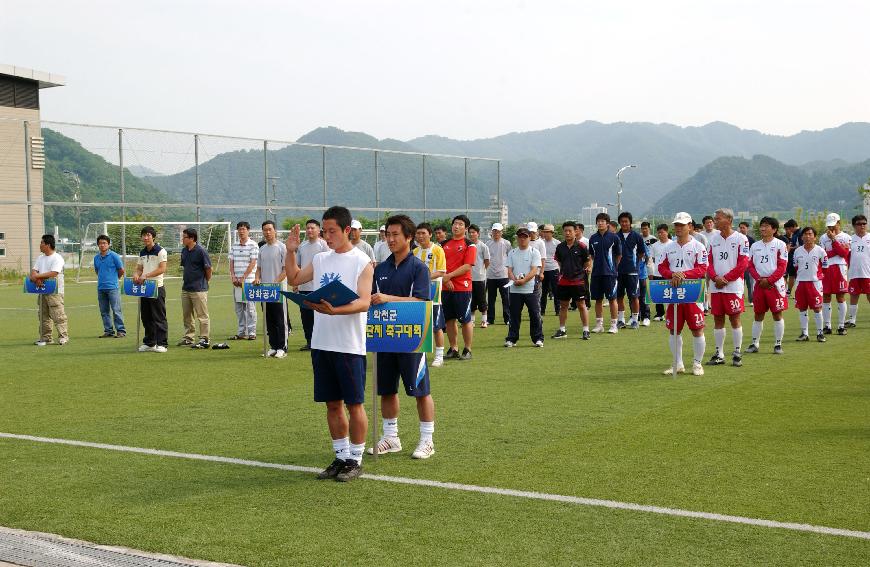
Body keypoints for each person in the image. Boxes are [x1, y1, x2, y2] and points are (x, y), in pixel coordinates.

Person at [284, 205, 374, 482]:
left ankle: (355, 459)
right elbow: (295, 279)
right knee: (332, 404)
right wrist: (290, 251)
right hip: (322, 343)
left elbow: (364, 301)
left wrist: (336, 310)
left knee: (354, 404)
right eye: (325, 231)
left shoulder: (362, 261)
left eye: (332, 231)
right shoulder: (322, 259)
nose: (327, 236)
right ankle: (340, 456)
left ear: (347, 230)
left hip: (349, 344)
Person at [367, 214, 437, 460]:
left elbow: (421, 301)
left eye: (396, 234)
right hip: (385, 337)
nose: (391, 239)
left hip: (412, 338)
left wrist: (388, 299)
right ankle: (391, 437)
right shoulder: (381, 268)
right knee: (386, 390)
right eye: (388, 234)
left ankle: (427, 440)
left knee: (420, 391)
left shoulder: (419, 268)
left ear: (409, 237)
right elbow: (372, 300)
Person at [658, 212, 708, 376]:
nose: (678, 227)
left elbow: (702, 268)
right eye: (676, 225)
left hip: (693, 293)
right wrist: (671, 274)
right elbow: (662, 267)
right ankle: (677, 363)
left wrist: (683, 274)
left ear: (690, 227)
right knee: (673, 329)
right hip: (673, 294)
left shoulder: (698, 247)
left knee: (697, 329)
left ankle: (697, 364)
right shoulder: (668, 247)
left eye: (682, 225)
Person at [706, 208, 750, 367]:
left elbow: (743, 263)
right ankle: (719, 353)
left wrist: (726, 278)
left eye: (718, 218)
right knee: (718, 319)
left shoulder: (741, 239)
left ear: (729, 220)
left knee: (734, 318)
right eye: (715, 218)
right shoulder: (713, 239)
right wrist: (715, 277)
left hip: (733, 287)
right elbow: (708, 262)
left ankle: (737, 352)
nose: (715, 220)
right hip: (716, 286)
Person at [745, 217, 789, 355]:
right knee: (758, 314)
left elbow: (782, 266)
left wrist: (769, 280)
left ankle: (777, 344)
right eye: (762, 226)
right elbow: (750, 265)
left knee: (777, 314)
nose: (763, 228)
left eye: (766, 226)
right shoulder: (755, 246)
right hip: (759, 284)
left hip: (774, 285)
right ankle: (754, 343)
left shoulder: (780, 245)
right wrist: (759, 279)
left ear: (774, 229)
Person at [441, 214, 477, 360]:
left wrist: (449, 276)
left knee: (465, 319)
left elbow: (467, 266)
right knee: (449, 319)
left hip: (463, 287)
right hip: (445, 287)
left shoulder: (470, 245)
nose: (456, 226)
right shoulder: (444, 244)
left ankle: (467, 349)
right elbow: (440, 265)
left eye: (460, 224)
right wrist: (445, 279)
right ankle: (453, 348)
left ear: (466, 228)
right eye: (455, 223)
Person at [413, 223, 447, 366]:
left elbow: (441, 271)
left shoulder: (438, 250)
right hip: (417, 293)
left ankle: (439, 355)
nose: (420, 236)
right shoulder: (414, 252)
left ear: (430, 234)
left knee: (436, 326)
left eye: (423, 233)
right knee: (420, 324)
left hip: (433, 292)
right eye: (418, 233)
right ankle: (421, 353)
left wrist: (423, 278)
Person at [551, 221, 591, 340]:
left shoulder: (582, 246)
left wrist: (583, 271)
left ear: (575, 232)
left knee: (581, 305)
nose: (567, 233)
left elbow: (587, 262)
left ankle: (586, 330)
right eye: (565, 231)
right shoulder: (560, 247)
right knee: (563, 306)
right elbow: (558, 261)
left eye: (570, 231)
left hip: (578, 281)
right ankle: (562, 330)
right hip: (563, 281)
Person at [504, 227, 543, 347]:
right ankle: (512, 338)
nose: (522, 239)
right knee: (514, 314)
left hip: (531, 288)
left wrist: (524, 280)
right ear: (517, 238)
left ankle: (538, 338)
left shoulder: (534, 252)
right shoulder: (512, 252)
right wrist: (513, 279)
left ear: (529, 238)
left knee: (535, 314)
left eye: (525, 237)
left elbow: (534, 270)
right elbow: (509, 270)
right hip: (515, 289)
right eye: (520, 237)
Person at [254, 220, 288, 358]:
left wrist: (275, 282)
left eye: (269, 229)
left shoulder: (282, 248)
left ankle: (282, 348)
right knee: (269, 319)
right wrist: (257, 278)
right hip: (265, 291)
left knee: (280, 319)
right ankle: (273, 346)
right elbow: (259, 268)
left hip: (279, 290)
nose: (267, 232)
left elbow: (286, 270)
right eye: (265, 230)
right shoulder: (261, 249)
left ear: (275, 231)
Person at [296, 219, 330, 350]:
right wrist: (297, 282)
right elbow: (298, 266)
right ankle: (309, 341)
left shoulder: (324, 245)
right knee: (306, 317)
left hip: (319, 287)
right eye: (308, 228)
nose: (310, 230)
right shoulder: (302, 246)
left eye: (312, 228)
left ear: (318, 229)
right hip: (304, 287)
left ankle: (321, 342)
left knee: (320, 316)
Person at [134, 226, 168, 352]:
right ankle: (150, 342)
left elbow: (162, 268)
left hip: (156, 287)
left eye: (148, 235)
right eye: (144, 235)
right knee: (146, 316)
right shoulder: (142, 252)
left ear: (153, 237)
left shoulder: (160, 251)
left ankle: (162, 343)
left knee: (158, 316)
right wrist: (136, 274)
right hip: (144, 287)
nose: (146, 237)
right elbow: (139, 268)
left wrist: (146, 275)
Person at [31, 234, 69, 346]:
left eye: (42, 243)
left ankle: (63, 337)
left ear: (48, 245)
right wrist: (35, 276)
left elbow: (54, 273)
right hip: (42, 290)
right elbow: (34, 270)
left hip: (55, 291)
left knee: (58, 314)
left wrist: (38, 277)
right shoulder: (40, 258)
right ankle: (45, 338)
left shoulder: (57, 258)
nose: (40, 245)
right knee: (43, 315)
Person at [178, 228, 212, 349]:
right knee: (187, 315)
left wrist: (204, 282)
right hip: (186, 288)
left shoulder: (201, 251)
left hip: (199, 289)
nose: (182, 239)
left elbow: (208, 269)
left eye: (184, 237)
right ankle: (188, 337)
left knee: (202, 315)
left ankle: (204, 339)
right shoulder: (184, 251)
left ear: (192, 238)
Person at [588, 212, 622, 334]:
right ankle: (599, 325)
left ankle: (614, 325)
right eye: (598, 221)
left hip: (610, 274)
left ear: (607, 224)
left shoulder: (614, 237)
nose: (600, 223)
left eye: (603, 221)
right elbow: (591, 255)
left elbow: (618, 255)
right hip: (596, 273)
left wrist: (613, 268)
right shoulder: (593, 238)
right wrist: (591, 267)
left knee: (612, 299)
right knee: (598, 299)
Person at [793, 227, 828, 342]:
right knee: (802, 308)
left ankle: (820, 333)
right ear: (802, 237)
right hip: (800, 283)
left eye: (810, 234)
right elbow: (796, 267)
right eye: (805, 234)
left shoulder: (821, 251)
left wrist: (817, 278)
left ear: (815, 237)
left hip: (815, 283)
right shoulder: (797, 251)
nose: (807, 236)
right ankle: (805, 333)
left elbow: (825, 267)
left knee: (817, 308)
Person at [819, 213, 851, 335]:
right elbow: (823, 255)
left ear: (838, 223)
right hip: (826, 269)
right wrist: (836, 251)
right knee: (826, 296)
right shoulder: (822, 238)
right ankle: (827, 326)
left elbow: (844, 254)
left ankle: (841, 326)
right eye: (829, 226)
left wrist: (833, 240)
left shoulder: (846, 237)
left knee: (840, 297)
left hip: (840, 269)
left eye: (833, 225)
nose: (831, 228)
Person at [615, 212, 645, 329]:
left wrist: (634, 263)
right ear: (619, 223)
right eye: (622, 221)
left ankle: (634, 319)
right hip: (618, 272)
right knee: (619, 297)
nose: (624, 223)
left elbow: (641, 253)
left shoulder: (637, 236)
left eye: (626, 221)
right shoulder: (616, 236)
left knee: (634, 297)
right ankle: (621, 320)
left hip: (632, 272)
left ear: (630, 222)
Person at [229, 221, 258, 340]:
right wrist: (233, 277)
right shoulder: (234, 245)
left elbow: (253, 262)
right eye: (239, 229)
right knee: (239, 308)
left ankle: (252, 332)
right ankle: (242, 332)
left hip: (249, 281)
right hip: (237, 282)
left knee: (250, 308)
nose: (241, 231)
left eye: (244, 229)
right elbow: (231, 262)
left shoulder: (253, 245)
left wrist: (243, 277)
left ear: (248, 230)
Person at [93, 234, 126, 338]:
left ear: (108, 244)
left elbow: (121, 270)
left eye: (104, 243)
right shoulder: (96, 258)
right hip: (101, 288)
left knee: (116, 310)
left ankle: (121, 331)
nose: (102, 245)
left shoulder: (114, 256)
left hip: (113, 288)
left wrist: (115, 279)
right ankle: (108, 331)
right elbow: (97, 271)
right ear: (98, 245)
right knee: (104, 311)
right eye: (100, 243)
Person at [485, 222, 512, 326]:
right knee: (491, 299)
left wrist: (510, 272)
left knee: (506, 298)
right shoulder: (488, 244)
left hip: (503, 275)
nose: (496, 233)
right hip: (491, 274)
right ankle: (490, 319)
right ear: (492, 232)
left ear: (501, 232)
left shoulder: (507, 243)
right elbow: (486, 259)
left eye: (498, 231)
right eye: (494, 231)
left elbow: (510, 258)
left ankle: (507, 318)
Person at [846, 214, 869, 327]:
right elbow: (846, 255)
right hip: (854, 273)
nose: (862, 226)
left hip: (868, 273)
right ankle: (852, 320)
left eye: (864, 223)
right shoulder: (850, 239)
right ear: (854, 226)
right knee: (854, 295)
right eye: (859, 224)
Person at [468, 224, 490, 327]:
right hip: (468, 277)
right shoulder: (467, 245)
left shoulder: (483, 246)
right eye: (470, 232)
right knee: (471, 300)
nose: (471, 234)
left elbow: (486, 261)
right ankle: (472, 320)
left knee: (481, 299)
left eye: (473, 232)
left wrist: (482, 271)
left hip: (480, 277)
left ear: (478, 234)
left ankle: (484, 320)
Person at [648, 224, 671, 321]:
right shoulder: (654, 245)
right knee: (658, 294)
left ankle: (670, 313)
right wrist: (651, 272)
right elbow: (651, 260)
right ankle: (659, 314)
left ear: (667, 232)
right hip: (657, 272)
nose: (660, 234)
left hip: (669, 272)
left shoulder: (672, 244)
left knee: (669, 294)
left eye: (662, 232)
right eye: (659, 233)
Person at [539, 224, 561, 317]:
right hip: (543, 269)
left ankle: (557, 310)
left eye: (548, 232)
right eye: (544, 232)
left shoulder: (557, 243)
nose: (546, 234)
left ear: (552, 233)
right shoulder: (541, 243)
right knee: (543, 292)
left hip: (554, 268)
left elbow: (560, 257)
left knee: (556, 291)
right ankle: (542, 310)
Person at [738, 221, 756, 303]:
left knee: (750, 284)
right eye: (740, 227)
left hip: (748, 265)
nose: (741, 229)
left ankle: (751, 300)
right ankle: (739, 299)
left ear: (747, 229)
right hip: (738, 265)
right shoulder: (736, 239)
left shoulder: (751, 240)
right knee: (740, 283)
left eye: (743, 228)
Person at [783, 219, 801, 296]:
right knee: (786, 275)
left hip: (797, 258)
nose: (789, 230)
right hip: (790, 258)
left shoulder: (800, 233)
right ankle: (786, 290)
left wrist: (790, 248)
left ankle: (793, 291)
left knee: (794, 275)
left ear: (793, 226)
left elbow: (801, 246)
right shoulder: (795, 234)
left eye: (790, 228)